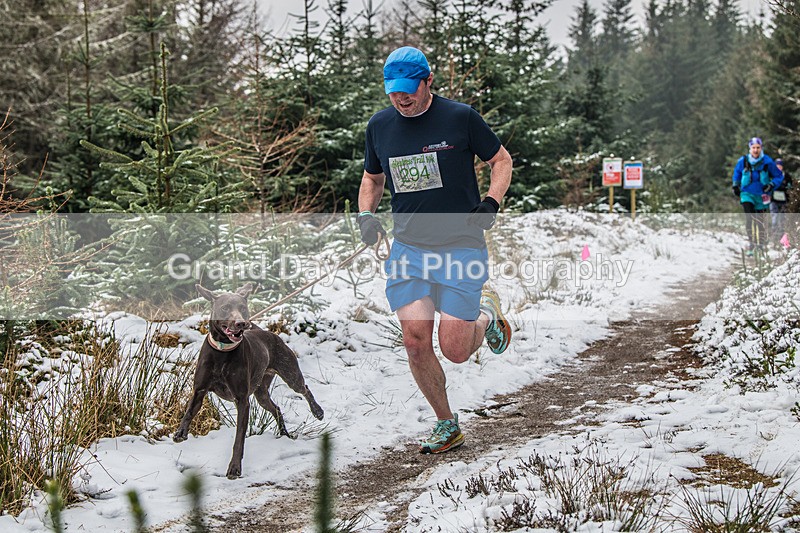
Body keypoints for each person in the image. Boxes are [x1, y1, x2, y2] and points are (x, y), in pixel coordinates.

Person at [356, 46, 514, 454]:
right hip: (409, 250)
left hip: (461, 245)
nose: (401, 98)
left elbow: (501, 160)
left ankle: (486, 314)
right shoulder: (380, 126)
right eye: (393, 92)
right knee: (414, 341)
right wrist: (365, 216)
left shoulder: (459, 118)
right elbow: (372, 179)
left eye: (409, 90)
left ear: (428, 81)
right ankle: (447, 423)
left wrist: (491, 203)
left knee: (456, 350)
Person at [731, 137, 783, 255]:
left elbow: (778, 176)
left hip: (762, 195)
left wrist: (771, 185)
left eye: (758, 148)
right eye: (753, 148)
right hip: (747, 194)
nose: (755, 150)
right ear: (750, 148)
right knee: (750, 218)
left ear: (761, 148)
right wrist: (735, 185)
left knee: (760, 222)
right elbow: (737, 174)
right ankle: (752, 244)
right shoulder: (743, 161)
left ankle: (760, 247)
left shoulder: (767, 161)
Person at [770, 158, 792, 242]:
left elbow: (790, 186)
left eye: (780, 166)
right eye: (777, 166)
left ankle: (782, 238)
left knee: (782, 220)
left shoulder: (786, 176)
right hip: (773, 201)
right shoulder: (771, 175)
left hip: (784, 201)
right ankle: (774, 238)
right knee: (774, 219)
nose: (778, 167)